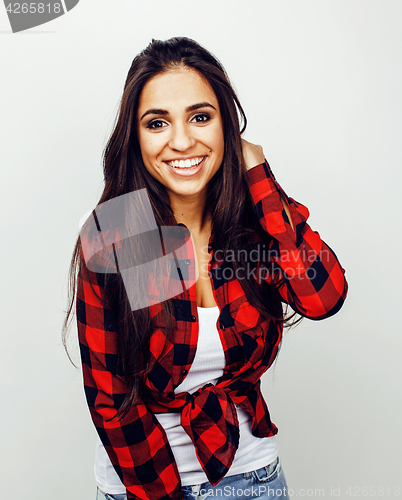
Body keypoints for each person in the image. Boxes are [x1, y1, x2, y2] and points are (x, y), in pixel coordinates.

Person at [64, 37, 348, 500]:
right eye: (157, 123)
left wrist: (260, 176)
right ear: (135, 137)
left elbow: (323, 297)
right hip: (144, 489)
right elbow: (112, 401)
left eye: (200, 117)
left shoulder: (255, 222)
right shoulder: (117, 231)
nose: (181, 141)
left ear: (226, 125)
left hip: (255, 480)